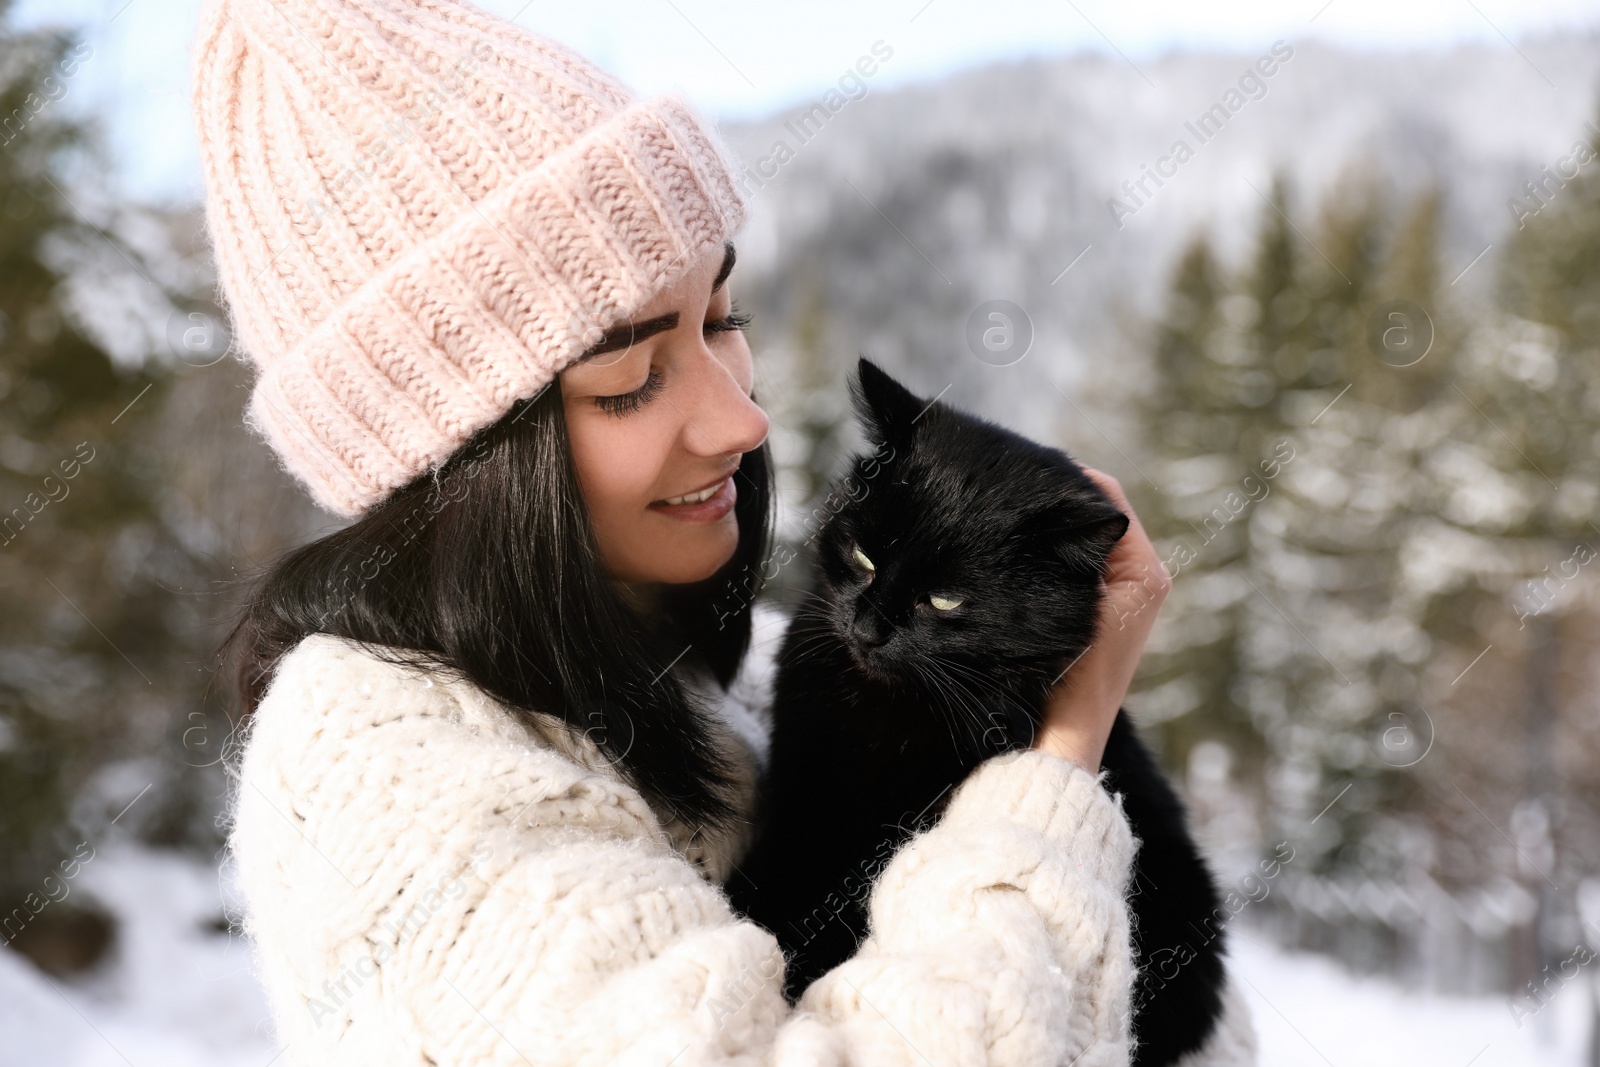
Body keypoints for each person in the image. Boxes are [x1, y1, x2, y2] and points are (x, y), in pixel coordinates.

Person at [193, 0, 1256, 1063]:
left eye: (722, 319)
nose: (742, 419)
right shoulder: (383, 767)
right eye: (629, 377)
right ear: (464, 463)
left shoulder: (723, 676)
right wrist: (1057, 770)